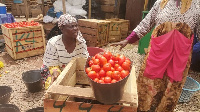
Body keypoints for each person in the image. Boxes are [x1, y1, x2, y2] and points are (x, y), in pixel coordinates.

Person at [111, 0, 200, 112]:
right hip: (157, 54)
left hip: (179, 58)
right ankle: (141, 109)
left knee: (171, 89)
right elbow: (146, 23)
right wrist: (128, 40)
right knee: (148, 84)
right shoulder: (161, 3)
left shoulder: (197, 5)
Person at [41, 14, 89, 89]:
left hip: (73, 71)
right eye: (71, 26)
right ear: (62, 29)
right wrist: (55, 73)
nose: (75, 28)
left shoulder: (80, 43)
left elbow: (83, 61)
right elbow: (52, 66)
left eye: (76, 26)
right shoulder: (53, 43)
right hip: (58, 70)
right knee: (53, 86)